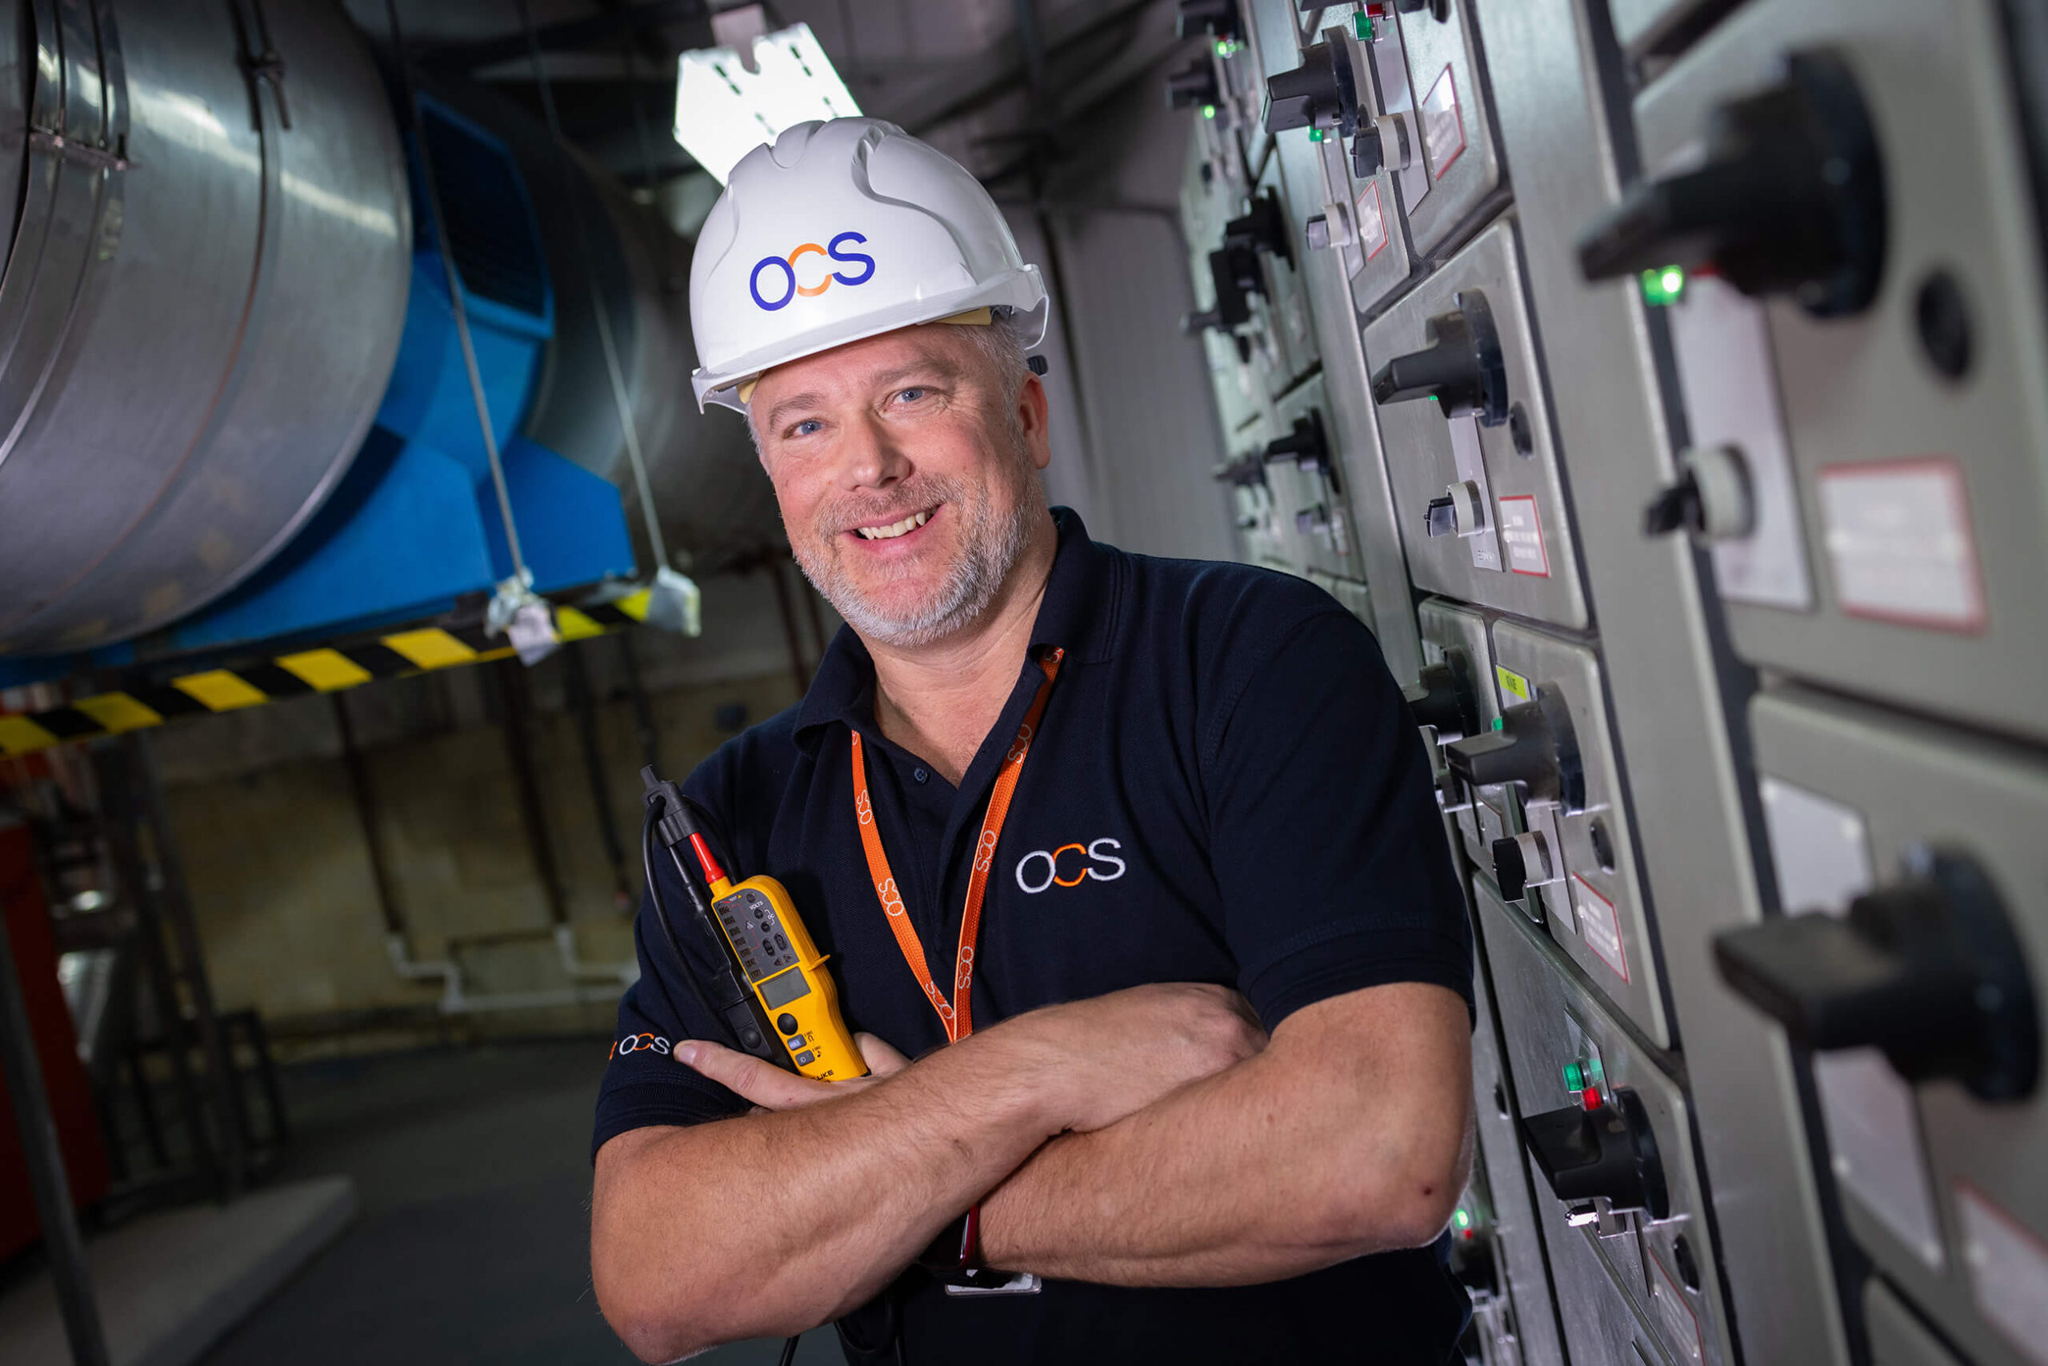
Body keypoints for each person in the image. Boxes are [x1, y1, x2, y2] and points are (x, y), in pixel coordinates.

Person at [590, 117, 1475, 1365]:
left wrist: (897, 1192)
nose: (870, 470)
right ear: (768, 470)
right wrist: (1036, 1073)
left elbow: (1377, 1149)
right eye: (803, 424)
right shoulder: (735, 819)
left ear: (1024, 408)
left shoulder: (1249, 659)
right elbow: (656, 1276)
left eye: (911, 392)